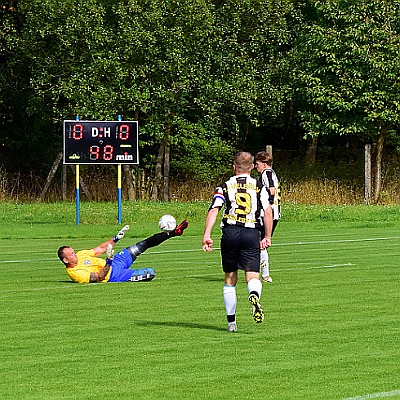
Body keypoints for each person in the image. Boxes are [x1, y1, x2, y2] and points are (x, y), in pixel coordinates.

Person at [202, 151, 273, 332]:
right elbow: (268, 212)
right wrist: (267, 236)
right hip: (251, 233)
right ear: (252, 168)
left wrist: (207, 235)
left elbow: (214, 209)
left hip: (230, 233)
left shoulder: (225, 186)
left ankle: (231, 323)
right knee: (253, 275)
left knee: (230, 279)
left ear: (234, 167)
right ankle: (254, 295)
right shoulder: (259, 186)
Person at [58, 220, 189, 284]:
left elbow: (101, 249)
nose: (75, 254)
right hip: (114, 275)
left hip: (115, 262)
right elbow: (99, 277)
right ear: (65, 260)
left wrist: (116, 238)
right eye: (71, 254)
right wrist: (108, 261)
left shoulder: (81, 254)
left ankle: (174, 233)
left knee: (142, 245)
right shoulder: (76, 274)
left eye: (73, 251)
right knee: (150, 273)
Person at [255, 151, 281, 283]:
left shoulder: (267, 173)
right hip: (273, 214)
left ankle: (265, 274)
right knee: (259, 243)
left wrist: (268, 205)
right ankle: (263, 273)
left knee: (261, 243)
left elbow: (271, 189)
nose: (255, 166)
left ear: (264, 164)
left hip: (268, 214)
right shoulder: (271, 173)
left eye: (257, 164)